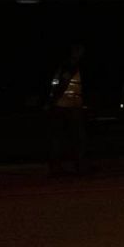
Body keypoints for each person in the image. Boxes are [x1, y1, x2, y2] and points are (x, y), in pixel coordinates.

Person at [46, 43, 88, 175]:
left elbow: (55, 84)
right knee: (78, 138)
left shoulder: (61, 66)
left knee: (58, 137)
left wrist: (51, 102)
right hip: (70, 106)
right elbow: (63, 84)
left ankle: (56, 166)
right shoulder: (71, 66)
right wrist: (53, 101)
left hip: (61, 106)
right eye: (80, 51)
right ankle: (78, 166)